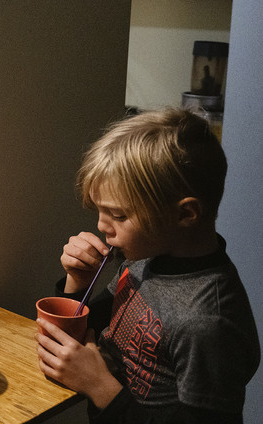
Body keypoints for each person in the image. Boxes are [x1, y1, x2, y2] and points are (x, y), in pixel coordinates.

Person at [36, 108, 259, 423]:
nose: (102, 226)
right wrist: (78, 281)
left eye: (120, 215)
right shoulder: (148, 258)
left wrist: (100, 387)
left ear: (185, 215)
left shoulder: (208, 322)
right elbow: (88, 328)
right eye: (100, 211)